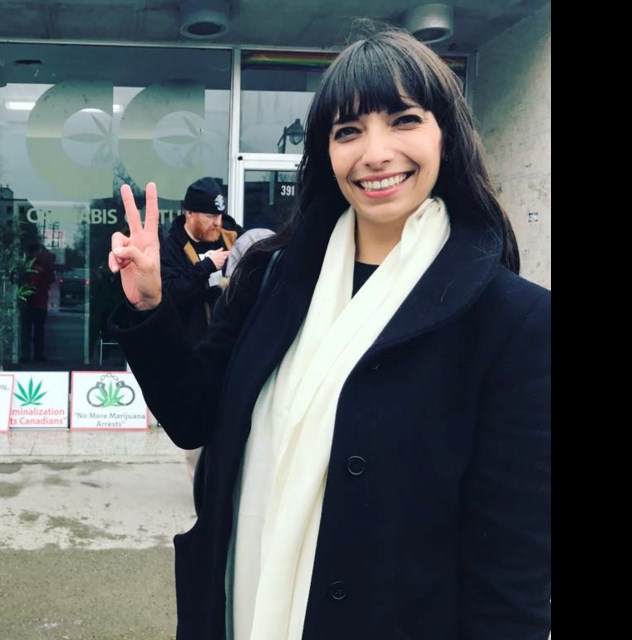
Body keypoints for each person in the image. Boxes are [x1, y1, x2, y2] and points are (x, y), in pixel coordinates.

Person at [106, 28, 550, 640]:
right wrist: (152, 304)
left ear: (445, 134)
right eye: (348, 131)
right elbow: (193, 415)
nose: (374, 152)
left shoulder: (512, 321)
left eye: (403, 120)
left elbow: (513, 569)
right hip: (239, 611)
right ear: (327, 153)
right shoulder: (273, 278)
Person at [161, 176, 244, 342]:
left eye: (219, 215)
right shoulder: (172, 247)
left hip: (230, 341)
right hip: (193, 345)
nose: (217, 222)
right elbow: (170, 294)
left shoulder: (232, 235)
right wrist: (207, 266)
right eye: (210, 216)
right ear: (189, 213)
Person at [21, 243, 56, 362]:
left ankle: (26, 355)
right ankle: (37, 354)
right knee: (38, 329)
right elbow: (51, 279)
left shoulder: (24, 264)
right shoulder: (42, 264)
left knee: (27, 329)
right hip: (38, 300)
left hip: (27, 300)